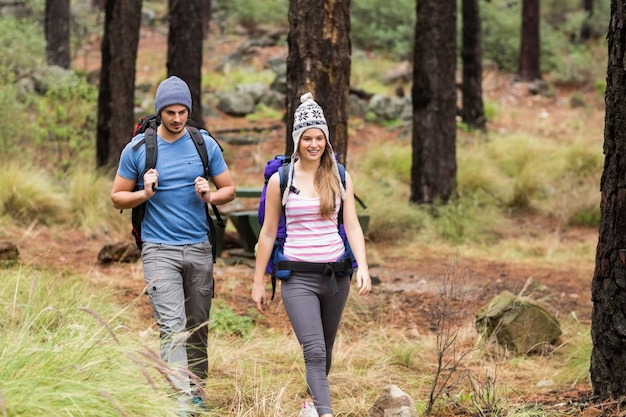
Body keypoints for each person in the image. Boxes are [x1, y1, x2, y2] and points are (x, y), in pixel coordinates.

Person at [110, 76, 235, 413]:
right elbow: (117, 198)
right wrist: (144, 193)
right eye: (170, 112)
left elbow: (229, 189)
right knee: (172, 326)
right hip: (158, 249)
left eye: (182, 112)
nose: (177, 119)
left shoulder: (203, 144)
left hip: (198, 247)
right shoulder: (138, 149)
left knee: (197, 325)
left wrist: (210, 194)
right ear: (159, 112)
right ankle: (181, 403)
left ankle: (197, 392)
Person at [251, 92, 372, 417]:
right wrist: (259, 281)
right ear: (297, 140)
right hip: (298, 278)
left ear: (326, 141)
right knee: (315, 351)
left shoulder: (340, 176)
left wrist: (363, 266)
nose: (314, 144)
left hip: (336, 276)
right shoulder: (282, 180)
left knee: (325, 351)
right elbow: (267, 232)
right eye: (308, 138)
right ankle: (326, 413)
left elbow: (353, 226)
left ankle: (311, 405)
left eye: (319, 138)